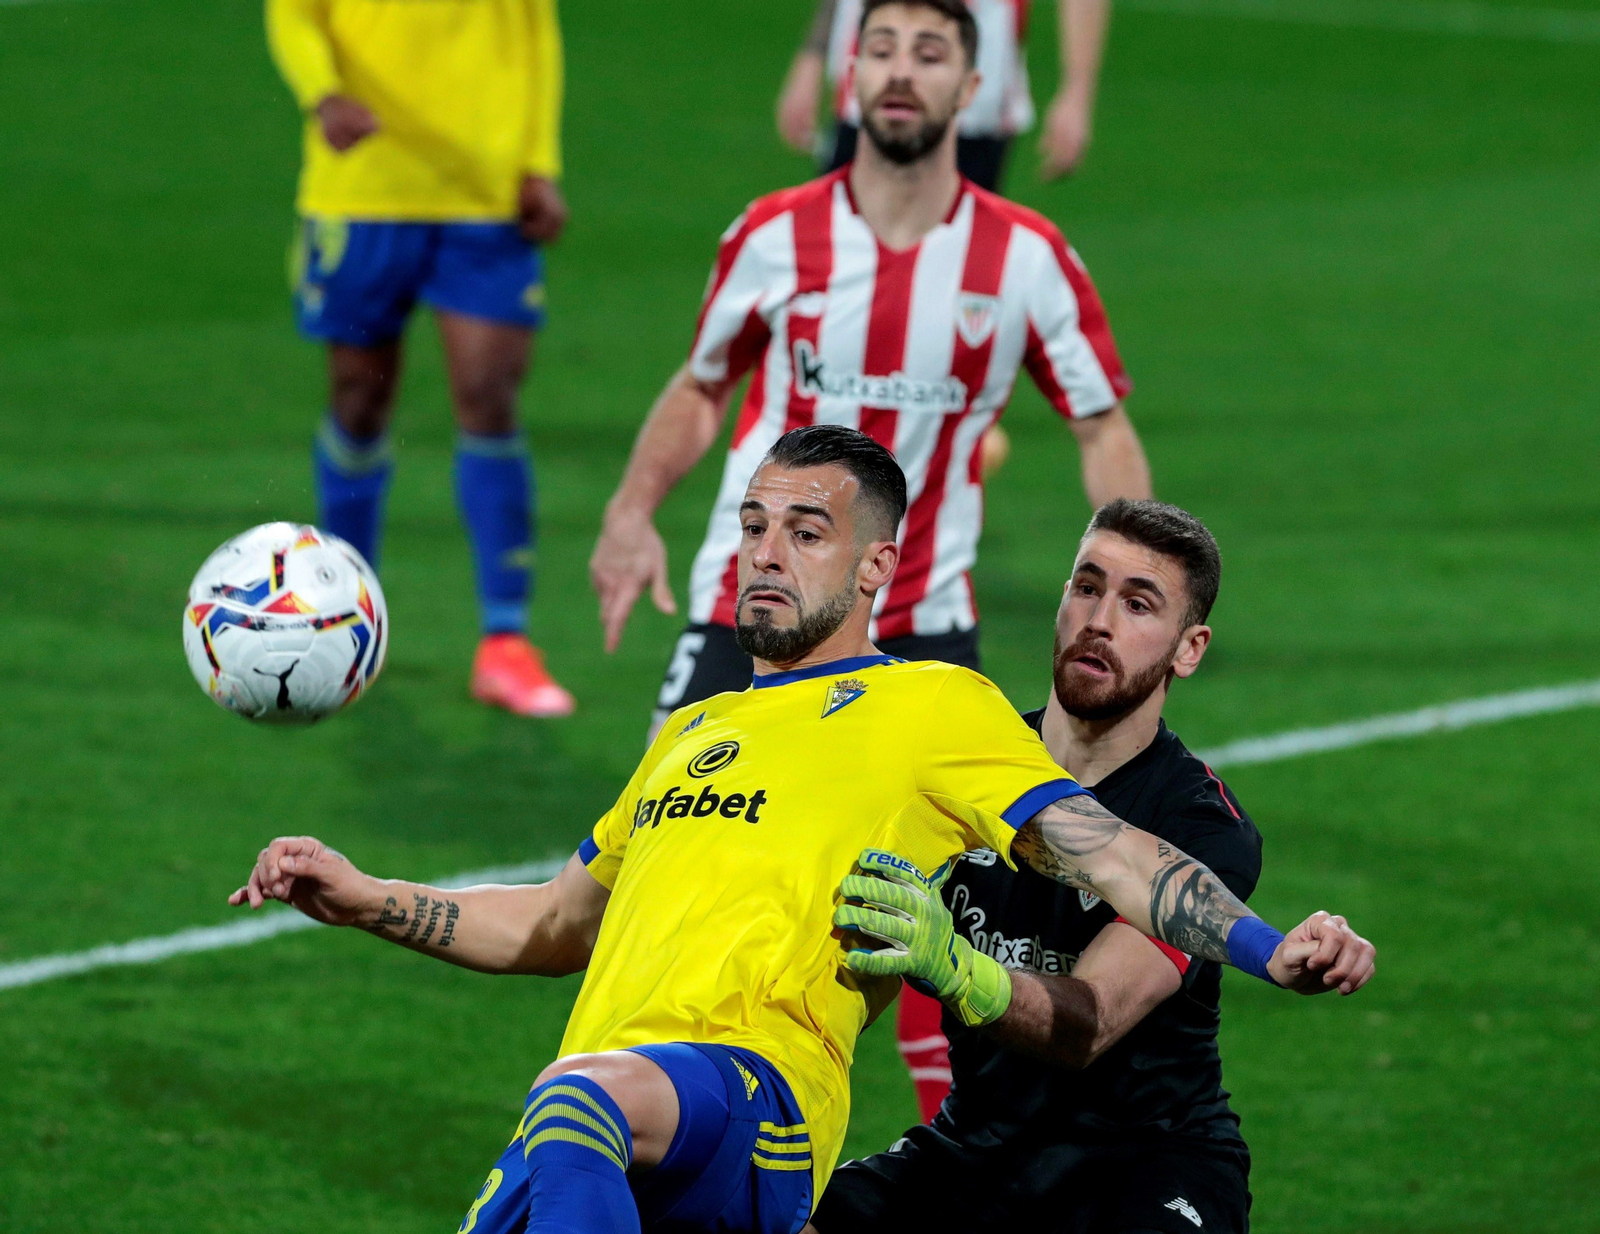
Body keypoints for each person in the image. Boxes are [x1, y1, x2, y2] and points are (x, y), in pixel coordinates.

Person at [232, 428, 1374, 1234]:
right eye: (753, 525)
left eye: (806, 532)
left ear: (877, 565)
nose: (765, 552)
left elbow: (1124, 860)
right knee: (557, 1123)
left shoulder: (937, 710)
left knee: (571, 1096)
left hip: (752, 1098)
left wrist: (1276, 949)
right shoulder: (695, 730)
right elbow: (549, 920)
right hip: (634, 1116)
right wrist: (362, 894)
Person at [590, 0, 1151, 738]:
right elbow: (702, 385)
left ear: (972, 86)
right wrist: (630, 513)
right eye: (881, 49)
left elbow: (1101, 429)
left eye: (929, 54)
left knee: (920, 857)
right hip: (755, 604)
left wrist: (1139, 584)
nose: (900, 71)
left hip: (922, 630)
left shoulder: (1026, 258)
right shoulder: (774, 234)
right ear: (850, 75)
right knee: (668, 841)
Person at [811, 498, 1356, 1233]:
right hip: (975, 1150)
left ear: (1189, 649)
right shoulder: (970, 760)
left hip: (1144, 1165)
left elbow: (1087, 1025)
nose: (1100, 620)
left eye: (1139, 604)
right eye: (1087, 586)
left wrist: (954, 967)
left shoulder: (1199, 825)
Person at [267, 0, 575, 717]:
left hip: (483, 190)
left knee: (489, 395)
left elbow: (535, 29)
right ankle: (343, 622)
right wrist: (323, 94)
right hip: (364, 186)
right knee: (360, 399)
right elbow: (292, 13)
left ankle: (506, 641)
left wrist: (540, 160)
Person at [777, 0, 1113, 187]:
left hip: (973, 107)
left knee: (957, 269)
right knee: (843, 255)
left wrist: (1077, 90)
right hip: (869, 94)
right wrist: (812, 55)